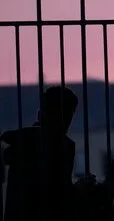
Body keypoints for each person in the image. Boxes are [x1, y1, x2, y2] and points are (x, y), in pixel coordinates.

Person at [1, 86, 86, 221]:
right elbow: (59, 195)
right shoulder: (60, 145)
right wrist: (80, 187)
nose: (68, 120)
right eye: (66, 113)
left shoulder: (24, 139)